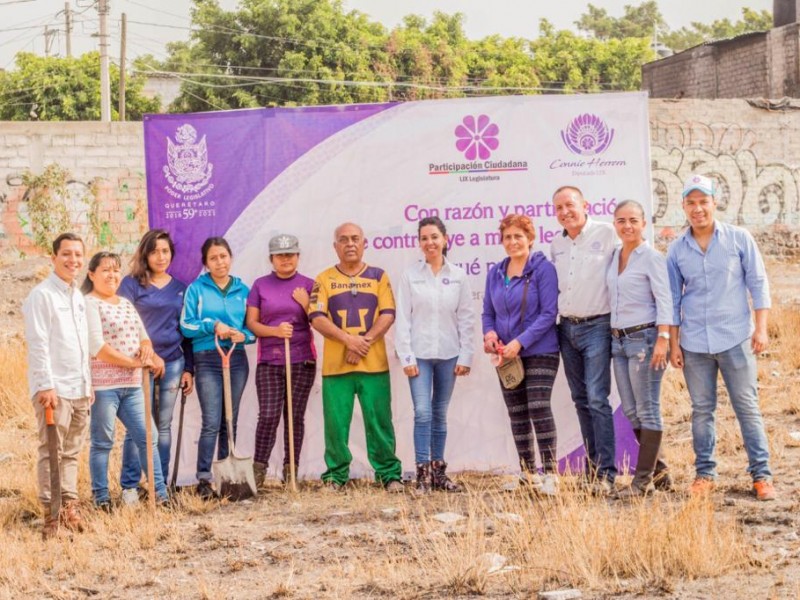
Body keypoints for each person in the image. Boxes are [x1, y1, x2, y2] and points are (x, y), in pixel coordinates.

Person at [667, 174, 776, 501]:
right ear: (684, 206)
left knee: (747, 406)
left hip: (735, 338)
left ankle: (762, 476)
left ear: (715, 203)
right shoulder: (676, 250)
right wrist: (674, 344)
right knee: (702, 410)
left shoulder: (738, 238)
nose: (698, 208)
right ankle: (705, 475)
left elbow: (759, 283)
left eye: (704, 201)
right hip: (695, 344)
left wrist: (761, 327)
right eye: (691, 202)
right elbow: (672, 300)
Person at [308, 222, 403, 492]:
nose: (350, 244)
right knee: (336, 425)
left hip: (374, 366)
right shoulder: (324, 279)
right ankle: (336, 476)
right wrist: (348, 340)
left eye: (355, 239)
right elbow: (316, 316)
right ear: (335, 246)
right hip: (335, 369)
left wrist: (364, 342)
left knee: (380, 421)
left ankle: (389, 474)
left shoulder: (378, 276)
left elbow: (388, 313)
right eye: (343, 240)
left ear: (364, 243)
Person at [82, 251, 169, 510]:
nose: (112, 275)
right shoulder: (89, 303)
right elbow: (97, 346)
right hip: (104, 386)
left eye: (116, 269)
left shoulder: (125, 303)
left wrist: (145, 350)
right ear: (92, 275)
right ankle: (101, 499)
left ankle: (160, 495)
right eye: (105, 270)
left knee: (147, 437)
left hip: (133, 386)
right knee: (103, 441)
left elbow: (144, 337)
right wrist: (134, 363)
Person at [395, 216, 475, 494]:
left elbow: (466, 318)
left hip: (449, 354)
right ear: (419, 243)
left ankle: (439, 474)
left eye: (434, 237)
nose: (430, 243)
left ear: (445, 239)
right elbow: (403, 318)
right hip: (419, 355)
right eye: (424, 238)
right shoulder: (410, 275)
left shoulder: (459, 276)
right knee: (423, 413)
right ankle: (422, 476)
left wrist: (466, 356)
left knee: (440, 414)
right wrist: (406, 357)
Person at [482, 215, 561, 496]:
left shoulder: (543, 269)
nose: (513, 242)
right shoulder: (495, 273)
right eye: (507, 237)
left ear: (530, 238)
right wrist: (490, 335)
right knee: (517, 413)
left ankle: (551, 474)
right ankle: (528, 474)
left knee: (538, 406)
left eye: (518, 236)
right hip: (506, 356)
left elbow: (549, 313)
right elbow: (488, 313)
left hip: (541, 350)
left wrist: (520, 342)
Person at [23, 233, 92, 539]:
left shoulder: (77, 296)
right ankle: (51, 517)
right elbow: (38, 344)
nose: (73, 260)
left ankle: (69, 508)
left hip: (79, 388)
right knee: (51, 451)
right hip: (55, 389)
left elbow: (81, 344)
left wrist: (87, 383)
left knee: (72, 453)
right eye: (66, 254)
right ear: (53, 258)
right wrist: (45, 385)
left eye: (78, 254)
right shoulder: (42, 295)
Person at [550, 185, 619, 495]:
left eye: (570, 205)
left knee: (596, 399)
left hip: (597, 327)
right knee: (580, 401)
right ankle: (592, 469)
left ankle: (607, 472)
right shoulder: (556, 244)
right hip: (567, 329)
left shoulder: (607, 234)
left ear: (585, 205)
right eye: (558, 208)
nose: (565, 212)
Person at [118, 230, 194, 502]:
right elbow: (122, 324)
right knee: (138, 426)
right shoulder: (131, 285)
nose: (161, 257)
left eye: (166, 251)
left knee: (163, 426)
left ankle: (158, 486)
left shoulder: (181, 288)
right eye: (155, 251)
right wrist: (145, 356)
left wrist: (189, 369)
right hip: (139, 365)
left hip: (173, 362)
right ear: (145, 254)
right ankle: (129, 487)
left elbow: (186, 331)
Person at [607, 200, 673, 497]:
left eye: (633, 220)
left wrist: (663, 338)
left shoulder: (652, 257)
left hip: (645, 340)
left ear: (644, 223)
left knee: (648, 409)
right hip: (618, 341)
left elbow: (665, 299)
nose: (627, 226)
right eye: (621, 221)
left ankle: (642, 481)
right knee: (631, 411)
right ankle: (658, 472)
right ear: (615, 224)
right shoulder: (615, 255)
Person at [180, 237, 255, 499]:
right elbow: (186, 326)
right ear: (206, 263)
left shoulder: (243, 290)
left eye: (223, 256)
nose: (219, 262)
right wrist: (212, 325)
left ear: (230, 257)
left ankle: (227, 477)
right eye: (213, 258)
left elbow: (253, 330)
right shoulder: (196, 289)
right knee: (211, 421)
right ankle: (203, 479)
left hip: (236, 359)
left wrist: (242, 335)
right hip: (208, 358)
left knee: (229, 420)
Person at [245, 234, 316, 487]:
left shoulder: (308, 284)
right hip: (270, 361)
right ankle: (259, 470)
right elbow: (251, 323)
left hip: (302, 360)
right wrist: (275, 331)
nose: (286, 259)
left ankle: (291, 471)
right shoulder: (260, 285)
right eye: (280, 255)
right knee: (268, 415)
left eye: (290, 254)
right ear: (271, 259)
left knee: (294, 417)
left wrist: (306, 303)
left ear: (298, 256)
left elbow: (318, 320)